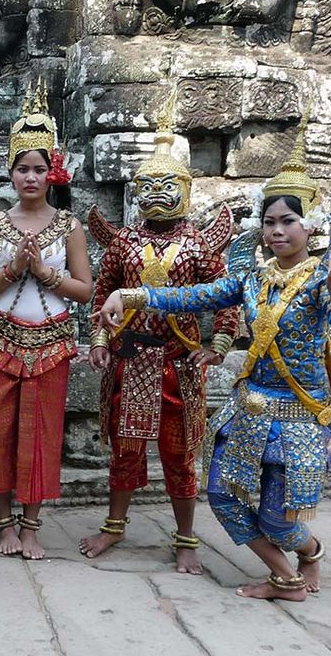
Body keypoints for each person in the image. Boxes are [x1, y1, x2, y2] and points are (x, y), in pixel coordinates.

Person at [97, 108, 331, 601]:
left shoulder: (323, 280)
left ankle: (306, 559)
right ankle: (290, 576)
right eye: (269, 222)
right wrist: (131, 297)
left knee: (279, 520)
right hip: (250, 405)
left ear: (311, 226)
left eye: (288, 221)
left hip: (300, 412)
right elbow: (192, 297)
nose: (276, 231)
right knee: (222, 495)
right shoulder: (250, 279)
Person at [78, 90, 240, 572]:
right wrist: (101, 339)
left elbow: (227, 296)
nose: (153, 196)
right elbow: (100, 294)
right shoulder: (125, 240)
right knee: (125, 451)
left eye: (164, 186)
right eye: (145, 187)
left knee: (178, 454)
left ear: (184, 190)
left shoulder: (198, 243)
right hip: (130, 360)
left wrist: (219, 344)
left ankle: (187, 538)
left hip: (178, 361)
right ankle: (114, 527)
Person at [0, 79, 92, 560]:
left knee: (41, 433)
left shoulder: (70, 226)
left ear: (52, 173)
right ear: (11, 172)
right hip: (0, 336)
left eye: (39, 169)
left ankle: (32, 525)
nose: (30, 177)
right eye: (22, 168)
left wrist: (45, 272)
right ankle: (4, 523)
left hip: (52, 340)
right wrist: (13, 269)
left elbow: (84, 289)